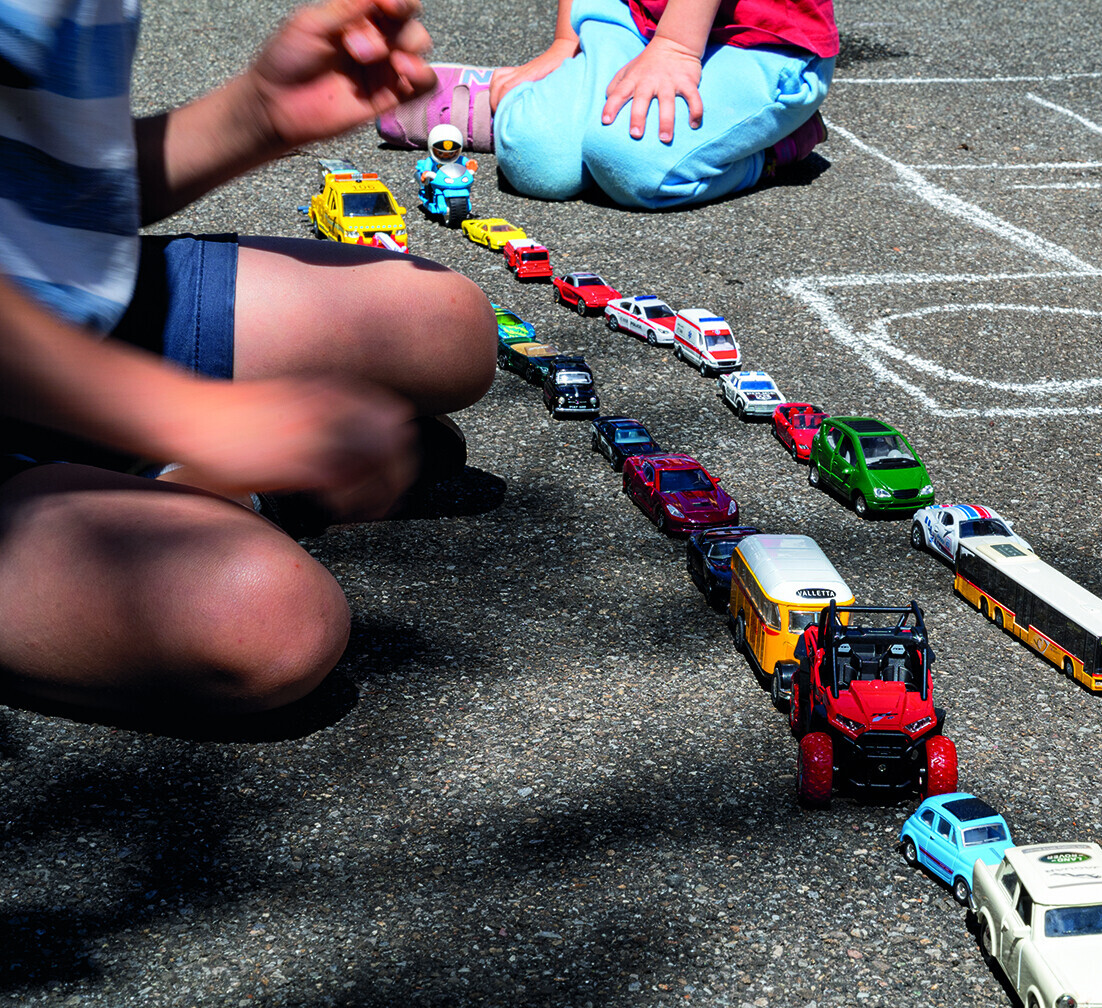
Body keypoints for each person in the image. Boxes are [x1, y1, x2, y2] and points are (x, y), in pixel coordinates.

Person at [0, 0, 498, 719]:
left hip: (55, 304)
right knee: (265, 616)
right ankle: (190, 490)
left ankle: (158, 482)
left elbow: (42, 174)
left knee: (444, 327)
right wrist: (190, 416)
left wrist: (255, 116)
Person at [376, 0, 838, 209]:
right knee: (538, 164)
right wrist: (566, 41)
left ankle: (778, 146)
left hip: (761, 42)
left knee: (634, 167)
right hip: (636, 18)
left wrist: (675, 48)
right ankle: (503, 92)